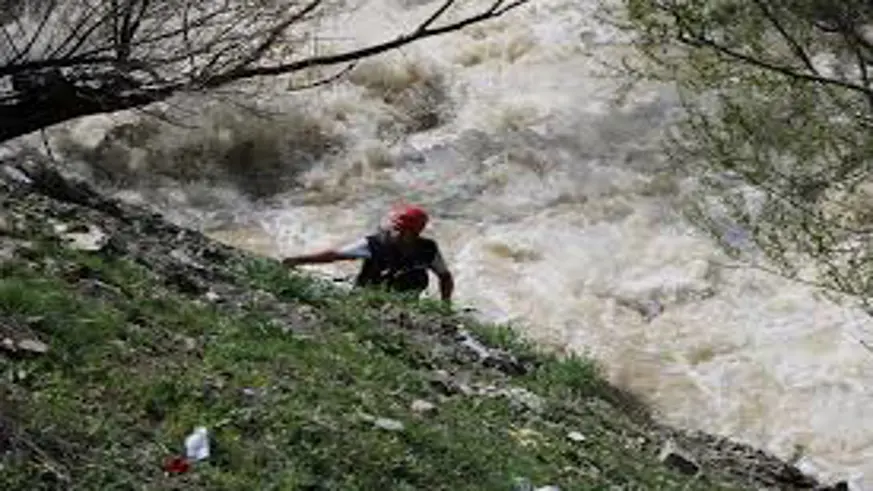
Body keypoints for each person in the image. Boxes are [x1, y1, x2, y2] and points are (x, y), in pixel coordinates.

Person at [281, 205, 454, 305]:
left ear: (415, 233)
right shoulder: (374, 244)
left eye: (403, 231)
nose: (396, 233)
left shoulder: (428, 249)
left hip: (406, 302)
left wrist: (445, 305)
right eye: (395, 228)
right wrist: (298, 260)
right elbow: (335, 255)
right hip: (367, 300)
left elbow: (445, 277)